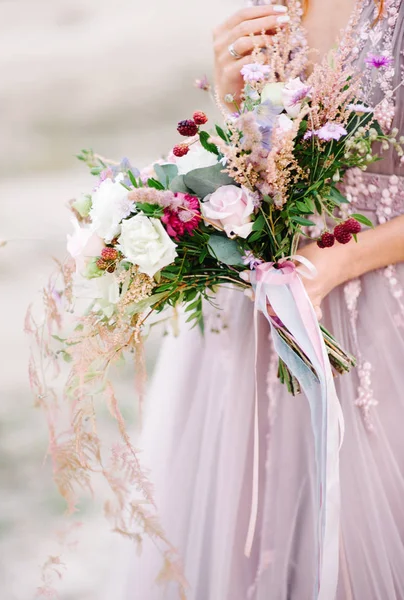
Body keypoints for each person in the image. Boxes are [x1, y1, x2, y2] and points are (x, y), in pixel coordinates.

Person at [126, 1, 404, 598]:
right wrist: (237, 104)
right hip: (270, 312)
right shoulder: (275, 6)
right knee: (257, 526)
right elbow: (268, 162)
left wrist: (342, 260)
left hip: (385, 310)